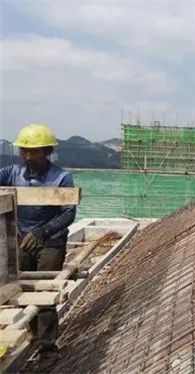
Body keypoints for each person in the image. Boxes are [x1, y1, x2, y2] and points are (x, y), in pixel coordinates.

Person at [0, 124, 76, 368]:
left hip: (50, 241)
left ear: (47, 151)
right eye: (24, 151)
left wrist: (43, 232)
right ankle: (32, 338)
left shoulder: (61, 178)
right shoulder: (13, 172)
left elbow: (68, 213)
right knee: (20, 290)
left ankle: (48, 351)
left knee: (44, 295)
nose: (27, 156)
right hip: (21, 240)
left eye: (33, 152)